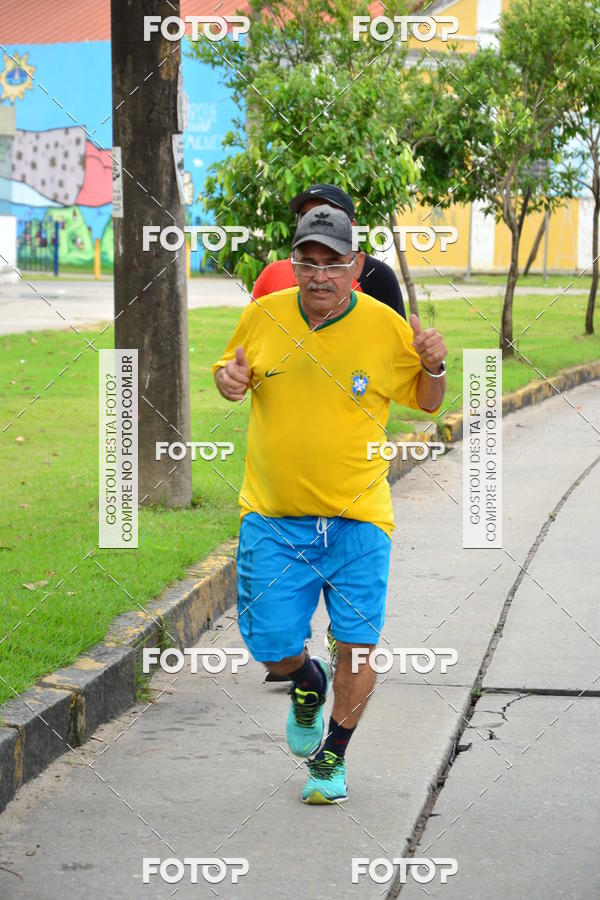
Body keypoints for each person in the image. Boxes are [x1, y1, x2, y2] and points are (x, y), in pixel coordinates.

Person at [213, 206, 446, 804]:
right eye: (307, 263)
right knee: (269, 643)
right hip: (272, 515)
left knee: (358, 643)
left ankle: (330, 759)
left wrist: (434, 365)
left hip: (360, 519)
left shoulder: (383, 326)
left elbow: (427, 400)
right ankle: (306, 679)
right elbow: (230, 370)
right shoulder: (263, 316)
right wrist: (229, 381)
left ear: (356, 266)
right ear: (294, 264)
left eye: (333, 264)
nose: (319, 276)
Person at [252, 183, 406, 319]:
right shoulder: (273, 273)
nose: (320, 278)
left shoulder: (377, 276)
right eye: (306, 216)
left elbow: (394, 341)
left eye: (327, 215)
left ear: (352, 226)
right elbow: (252, 337)